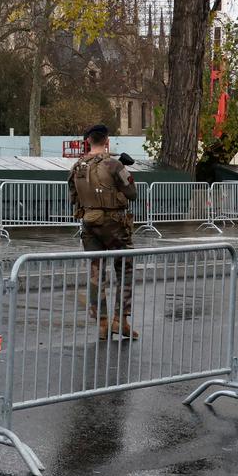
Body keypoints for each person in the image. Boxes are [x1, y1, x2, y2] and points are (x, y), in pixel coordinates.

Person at [69, 124, 138, 340]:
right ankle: (121, 319)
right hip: (115, 224)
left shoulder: (77, 166)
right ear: (107, 140)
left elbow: (73, 197)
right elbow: (132, 193)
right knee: (125, 268)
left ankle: (102, 322)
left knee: (96, 273)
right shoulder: (114, 165)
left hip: (89, 224)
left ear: (88, 141)